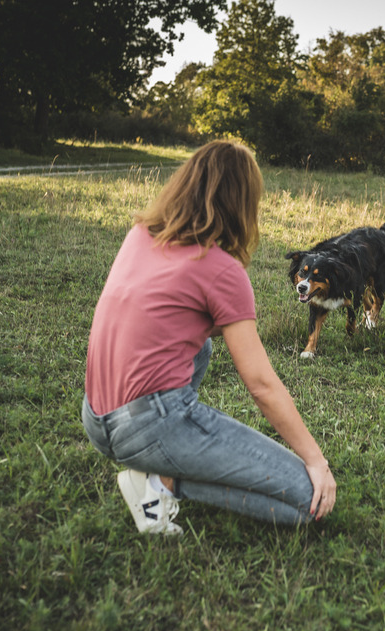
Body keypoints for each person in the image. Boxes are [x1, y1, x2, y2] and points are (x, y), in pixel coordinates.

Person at [81, 140, 336, 535]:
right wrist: (316, 461)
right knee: (310, 501)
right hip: (150, 425)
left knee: (202, 344)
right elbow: (262, 385)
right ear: (242, 202)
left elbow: (170, 313)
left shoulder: (142, 234)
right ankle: (160, 480)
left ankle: (154, 467)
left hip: (96, 416)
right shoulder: (220, 269)